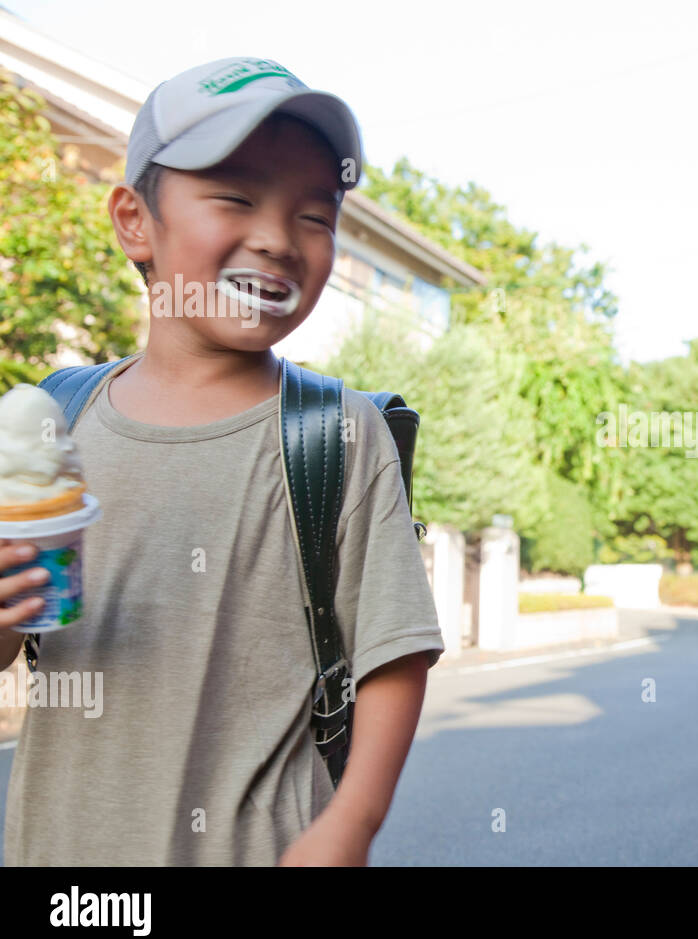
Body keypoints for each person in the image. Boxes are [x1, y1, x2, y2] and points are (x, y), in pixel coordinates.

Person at [0, 57, 442, 866]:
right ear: (136, 221)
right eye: (235, 197)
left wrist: (350, 826)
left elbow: (395, 653)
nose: (277, 238)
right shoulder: (56, 421)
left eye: (315, 214)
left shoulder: (336, 431)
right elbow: (20, 636)